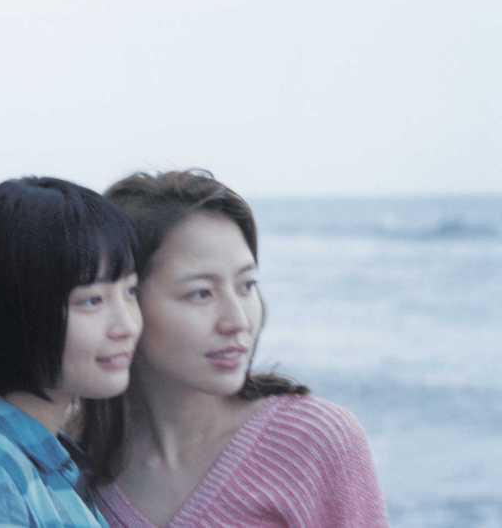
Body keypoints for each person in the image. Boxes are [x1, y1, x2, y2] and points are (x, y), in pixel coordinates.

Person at [79, 169, 388, 528]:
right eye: (201, 293)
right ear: (126, 301)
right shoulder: (67, 464)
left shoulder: (315, 442)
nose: (238, 320)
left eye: (246, 285)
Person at [0, 177, 143, 528]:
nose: (125, 325)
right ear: (14, 311)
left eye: (130, 292)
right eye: (92, 301)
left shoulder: (40, 458)